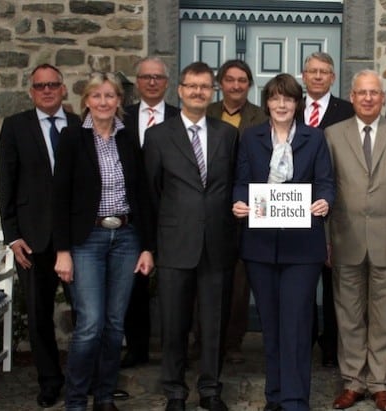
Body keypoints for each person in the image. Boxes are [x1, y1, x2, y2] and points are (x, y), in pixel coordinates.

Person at [53, 72, 155, 411]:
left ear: (119, 101)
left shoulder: (128, 140)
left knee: (114, 324)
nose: (103, 102)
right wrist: (63, 251)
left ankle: (106, 395)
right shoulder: (71, 138)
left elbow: (141, 194)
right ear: (86, 101)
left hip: (126, 237)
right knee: (90, 324)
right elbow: (60, 197)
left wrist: (146, 246)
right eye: (96, 96)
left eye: (109, 96)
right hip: (87, 240)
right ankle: (76, 398)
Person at [232, 73, 334, 411]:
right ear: (267, 103)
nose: (281, 105)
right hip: (260, 246)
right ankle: (274, 396)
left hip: (303, 248)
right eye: (275, 98)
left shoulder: (315, 138)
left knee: (296, 323)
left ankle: (294, 399)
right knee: (271, 325)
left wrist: (324, 202)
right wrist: (239, 202)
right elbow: (241, 181)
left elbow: (326, 182)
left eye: (288, 99)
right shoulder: (250, 137)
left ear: (297, 103)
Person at [143, 62, 239, 411]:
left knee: (213, 324)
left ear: (213, 91)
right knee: (174, 323)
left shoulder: (227, 134)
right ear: (179, 90)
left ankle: (211, 389)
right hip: (174, 243)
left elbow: (232, 188)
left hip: (217, 243)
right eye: (192, 86)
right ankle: (175, 391)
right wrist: (151, 246)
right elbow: (151, 194)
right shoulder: (157, 137)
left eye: (205, 86)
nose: (198, 92)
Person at [326, 70, 386, 411]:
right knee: (348, 315)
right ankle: (353, 381)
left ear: (382, 98)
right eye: (362, 93)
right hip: (345, 237)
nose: (368, 98)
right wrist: (326, 240)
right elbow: (326, 187)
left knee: (384, 316)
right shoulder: (332, 135)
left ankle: (380, 382)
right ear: (351, 97)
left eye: (374, 93)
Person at [0, 63, 80, 408]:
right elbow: (7, 184)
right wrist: (13, 237)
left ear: (63, 89)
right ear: (31, 92)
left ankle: (81, 378)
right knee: (38, 314)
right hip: (32, 242)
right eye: (40, 86)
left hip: (76, 239)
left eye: (53, 85)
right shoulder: (15, 127)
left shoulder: (79, 125)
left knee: (87, 313)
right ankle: (49, 380)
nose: (47, 90)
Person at [207, 59, 267, 364]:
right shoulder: (206, 112)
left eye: (242, 80)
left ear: (249, 84)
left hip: (247, 207)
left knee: (240, 281)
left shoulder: (261, 117)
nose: (236, 85)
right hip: (210, 206)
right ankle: (204, 340)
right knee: (206, 276)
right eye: (229, 80)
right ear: (220, 83)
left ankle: (233, 342)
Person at [121, 56, 180, 369]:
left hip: (172, 212)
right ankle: (137, 347)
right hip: (133, 212)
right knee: (134, 283)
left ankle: (178, 349)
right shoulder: (122, 117)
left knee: (177, 282)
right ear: (138, 82)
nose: (152, 82)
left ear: (168, 84)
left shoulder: (179, 117)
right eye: (146, 77)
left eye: (158, 77)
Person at [298, 51, 354, 368]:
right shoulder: (290, 109)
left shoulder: (346, 111)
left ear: (333, 78)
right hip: (297, 211)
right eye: (312, 71)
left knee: (336, 289)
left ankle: (332, 349)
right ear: (304, 76)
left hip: (337, 210)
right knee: (303, 286)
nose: (318, 76)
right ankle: (303, 345)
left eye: (324, 72)